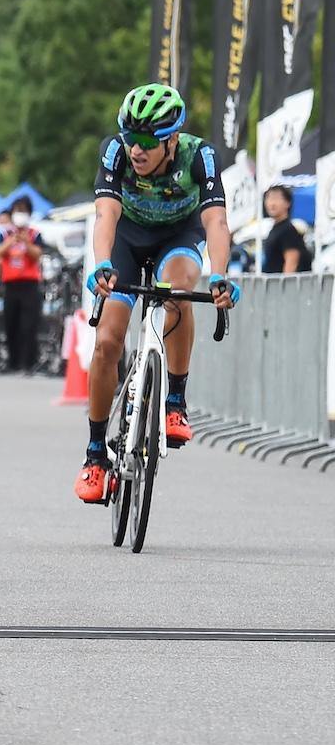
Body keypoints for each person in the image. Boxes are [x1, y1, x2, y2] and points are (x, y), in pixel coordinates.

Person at [76, 83, 237, 503]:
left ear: (172, 140)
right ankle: (95, 454)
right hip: (127, 239)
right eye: (131, 139)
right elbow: (106, 213)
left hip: (177, 237)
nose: (137, 150)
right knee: (108, 341)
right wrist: (102, 263)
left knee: (179, 289)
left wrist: (219, 275)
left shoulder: (198, 156)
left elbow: (216, 222)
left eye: (148, 142)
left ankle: (175, 401)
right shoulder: (115, 150)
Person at [0, 196, 43, 375]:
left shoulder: (35, 234)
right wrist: (10, 242)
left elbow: (37, 255)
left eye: (23, 211)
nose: (20, 215)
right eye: (17, 211)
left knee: (29, 325)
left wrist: (26, 243)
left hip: (29, 284)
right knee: (10, 323)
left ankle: (28, 363)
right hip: (10, 284)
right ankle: (13, 362)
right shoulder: (4, 234)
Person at [261, 184, 311, 274]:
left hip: (283, 285)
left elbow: (291, 263)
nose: (271, 203)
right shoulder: (275, 229)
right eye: (268, 198)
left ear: (288, 203)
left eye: (276, 198)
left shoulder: (288, 230)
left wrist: (284, 286)